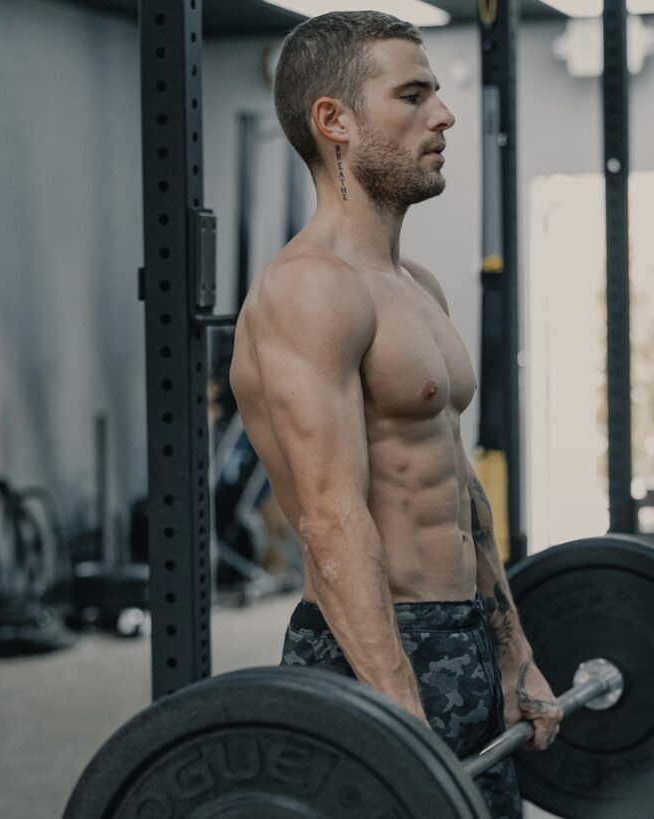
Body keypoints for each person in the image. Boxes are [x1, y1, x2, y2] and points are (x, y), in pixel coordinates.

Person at [229, 11, 561, 817]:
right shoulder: (310, 289)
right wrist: (397, 722)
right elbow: (331, 519)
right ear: (333, 121)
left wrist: (513, 655)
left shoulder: (418, 286)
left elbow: (460, 493)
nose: (443, 115)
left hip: (462, 643)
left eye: (437, 95)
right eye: (412, 96)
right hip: (370, 650)